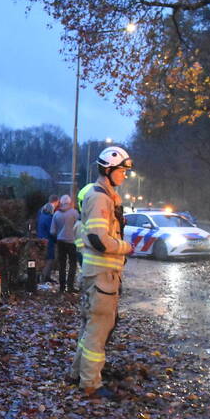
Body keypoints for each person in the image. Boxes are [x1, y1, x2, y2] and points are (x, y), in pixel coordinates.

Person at [68, 146, 134, 400]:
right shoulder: (100, 198)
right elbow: (97, 238)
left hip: (98, 275)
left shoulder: (105, 196)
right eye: (122, 171)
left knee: (90, 327)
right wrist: (126, 247)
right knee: (99, 330)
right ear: (108, 170)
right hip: (102, 276)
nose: (124, 176)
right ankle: (91, 384)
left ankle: (78, 373)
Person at [51, 194, 79, 293]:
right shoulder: (74, 213)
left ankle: (62, 287)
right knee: (72, 264)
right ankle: (70, 286)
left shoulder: (56, 214)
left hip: (60, 242)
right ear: (70, 202)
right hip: (72, 242)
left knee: (62, 265)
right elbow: (80, 227)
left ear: (61, 203)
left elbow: (52, 231)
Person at [37, 195, 59, 283]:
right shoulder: (49, 218)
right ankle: (44, 277)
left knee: (43, 258)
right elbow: (52, 231)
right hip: (48, 241)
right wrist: (57, 239)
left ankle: (43, 277)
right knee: (50, 259)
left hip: (41, 238)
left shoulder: (41, 214)